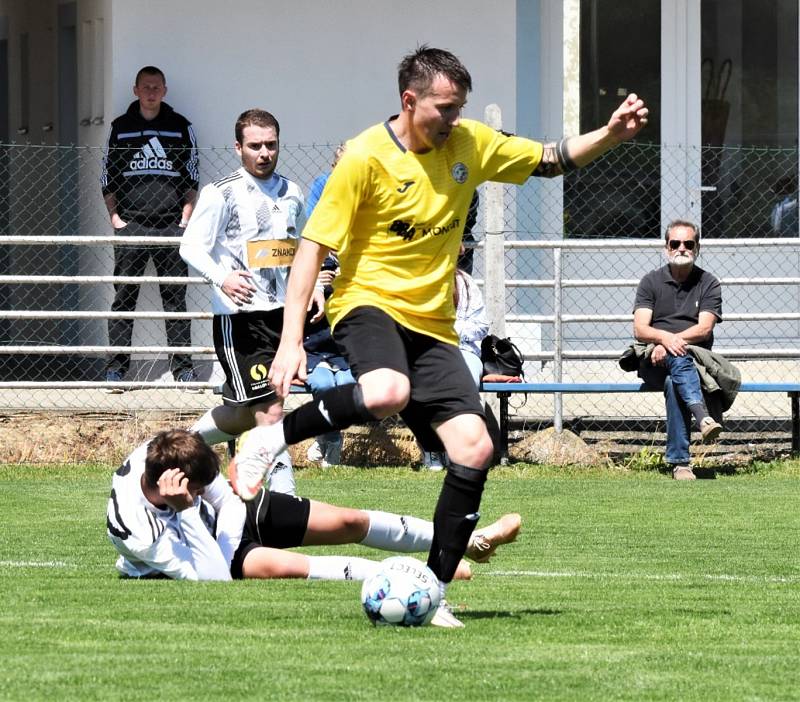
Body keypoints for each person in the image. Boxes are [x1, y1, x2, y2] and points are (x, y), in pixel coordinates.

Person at [235, 46, 648, 627]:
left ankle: (432, 593)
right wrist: (290, 339)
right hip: (366, 304)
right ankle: (271, 438)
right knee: (384, 392)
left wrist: (608, 134)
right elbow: (312, 249)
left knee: (475, 448)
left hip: (433, 326)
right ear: (409, 100)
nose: (455, 119)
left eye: (460, 108)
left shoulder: (469, 144)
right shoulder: (364, 157)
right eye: (445, 108)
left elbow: (552, 159)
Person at [106, 428, 521, 590]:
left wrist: (222, 528)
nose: (199, 494)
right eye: (193, 492)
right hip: (196, 553)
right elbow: (213, 576)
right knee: (299, 565)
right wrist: (186, 514)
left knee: (348, 520)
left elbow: (227, 498)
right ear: (170, 485)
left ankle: (470, 541)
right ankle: (423, 578)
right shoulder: (138, 532)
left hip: (227, 528)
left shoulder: (167, 451)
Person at [179, 109, 322, 495]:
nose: (264, 153)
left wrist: (314, 287)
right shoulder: (220, 192)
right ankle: (284, 492)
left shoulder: (291, 192)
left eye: (270, 145)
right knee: (271, 408)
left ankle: (181, 446)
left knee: (249, 409)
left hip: (282, 317)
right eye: (255, 145)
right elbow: (190, 246)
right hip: (239, 318)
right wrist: (222, 276)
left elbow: (303, 249)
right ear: (238, 147)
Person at [101, 65, 199, 392]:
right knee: (123, 299)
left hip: (171, 226)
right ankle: (116, 370)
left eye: (157, 87)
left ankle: (183, 370)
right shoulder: (121, 128)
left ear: (165, 91)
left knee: (175, 300)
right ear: (136, 90)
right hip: (133, 225)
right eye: (146, 86)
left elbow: (192, 176)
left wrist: (184, 219)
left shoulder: (181, 127)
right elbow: (107, 177)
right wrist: (116, 220)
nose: (151, 92)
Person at [632, 220, 725, 480]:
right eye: (675, 243)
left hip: (694, 360)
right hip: (653, 359)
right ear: (666, 248)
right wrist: (661, 340)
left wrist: (670, 344)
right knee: (677, 361)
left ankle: (681, 464)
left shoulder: (708, 282)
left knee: (676, 381)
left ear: (697, 247)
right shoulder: (650, 281)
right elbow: (640, 329)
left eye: (688, 244)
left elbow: (704, 329)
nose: (681, 248)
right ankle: (702, 416)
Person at [420, 260, 488, 470]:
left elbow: (481, 327)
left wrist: (449, 329)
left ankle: (459, 450)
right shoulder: (418, 281)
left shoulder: (466, 283)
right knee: (424, 387)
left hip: (464, 350)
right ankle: (432, 449)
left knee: (465, 383)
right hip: (428, 350)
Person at [304, 255, 356, 467]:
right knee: (324, 384)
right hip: (312, 349)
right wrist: (315, 282)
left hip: (344, 351)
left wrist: (345, 282)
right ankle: (333, 440)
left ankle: (324, 436)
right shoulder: (309, 259)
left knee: (346, 386)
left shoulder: (356, 261)